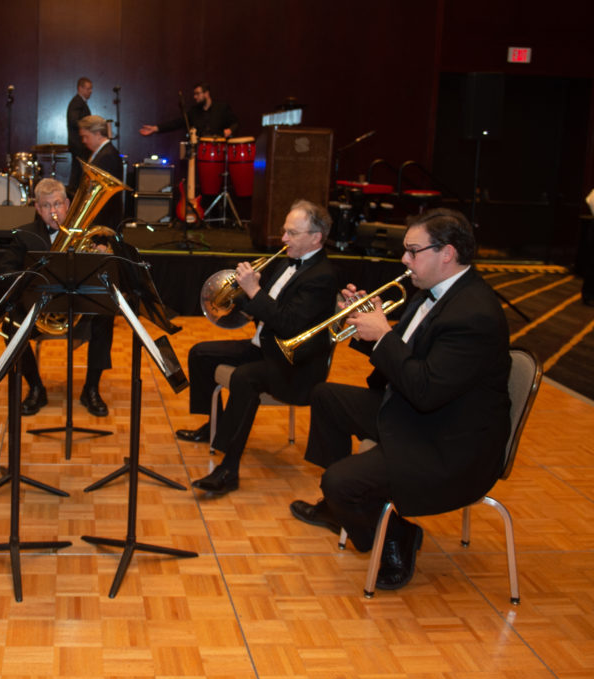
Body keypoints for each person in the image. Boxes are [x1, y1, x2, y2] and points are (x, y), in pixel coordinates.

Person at [290, 208, 511, 590]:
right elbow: (404, 360)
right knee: (326, 397)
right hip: (419, 411)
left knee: (339, 482)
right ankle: (340, 509)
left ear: (447, 253)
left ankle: (397, 537)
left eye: (413, 251)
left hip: (451, 442)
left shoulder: (474, 314)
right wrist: (365, 325)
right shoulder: (433, 293)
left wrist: (384, 336)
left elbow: (425, 389)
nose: (405, 260)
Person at [175, 200, 339, 494]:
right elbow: (265, 307)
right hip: (265, 346)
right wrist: (240, 293)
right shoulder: (287, 261)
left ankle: (228, 469)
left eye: (292, 233)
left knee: (244, 378)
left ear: (316, 237)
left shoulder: (322, 276)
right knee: (200, 353)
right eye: (284, 231)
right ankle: (214, 425)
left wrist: (254, 290)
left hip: (295, 365)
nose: (284, 238)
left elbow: (289, 324)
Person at [0, 178, 114, 417]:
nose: (53, 211)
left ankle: (91, 388)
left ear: (68, 205)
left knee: (104, 316)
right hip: (41, 311)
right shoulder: (25, 235)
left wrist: (101, 256)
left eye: (58, 204)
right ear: (37, 208)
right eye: (46, 205)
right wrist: (32, 278)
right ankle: (36, 388)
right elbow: (5, 273)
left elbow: (108, 274)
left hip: (79, 310)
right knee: (10, 325)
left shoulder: (88, 233)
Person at [139, 81, 238, 139]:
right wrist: (155, 128)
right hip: (200, 153)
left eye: (197, 94)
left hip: (219, 151)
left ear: (206, 93)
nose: (195, 97)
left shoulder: (222, 108)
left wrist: (230, 130)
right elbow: (176, 123)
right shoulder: (194, 112)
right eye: (194, 94)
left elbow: (235, 123)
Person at [78, 113, 125, 231]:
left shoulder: (107, 155)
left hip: (104, 220)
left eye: (86, 136)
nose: (83, 141)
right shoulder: (102, 152)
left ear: (98, 134)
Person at [67, 77, 93, 193]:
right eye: (88, 88)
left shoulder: (79, 102)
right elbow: (74, 121)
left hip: (78, 144)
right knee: (77, 175)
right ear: (80, 88)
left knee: (77, 173)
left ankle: (74, 195)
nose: (90, 91)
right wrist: (89, 125)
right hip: (78, 144)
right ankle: (74, 196)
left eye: (91, 89)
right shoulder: (77, 102)